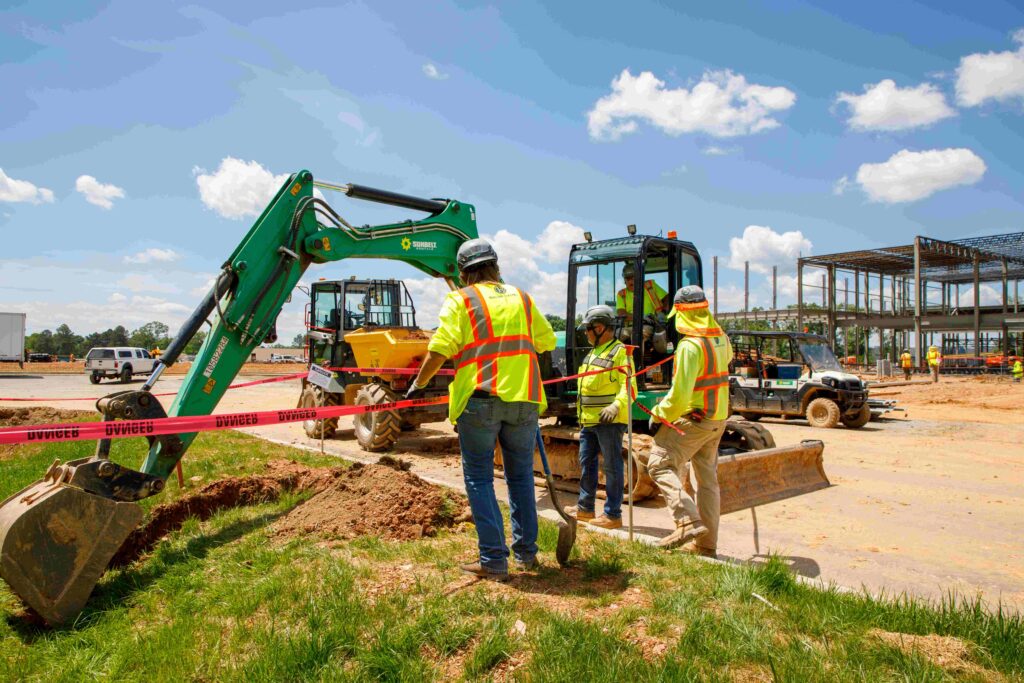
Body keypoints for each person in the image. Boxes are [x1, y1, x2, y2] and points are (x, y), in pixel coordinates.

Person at [408, 238, 556, 580]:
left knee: (479, 478)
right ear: (496, 266)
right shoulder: (523, 298)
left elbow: (439, 350)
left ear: (463, 273)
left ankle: (493, 559)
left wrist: (417, 385)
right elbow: (546, 341)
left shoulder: (461, 300)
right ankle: (526, 554)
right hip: (524, 401)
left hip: (481, 402)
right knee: (521, 478)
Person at [646, 285, 732, 558]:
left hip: (695, 419)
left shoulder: (689, 346)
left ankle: (686, 522)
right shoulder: (721, 338)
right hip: (717, 419)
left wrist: (660, 413)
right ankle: (707, 546)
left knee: (658, 464)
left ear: (681, 313)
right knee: (707, 482)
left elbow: (680, 396)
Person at [565, 305, 636, 530]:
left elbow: (630, 386)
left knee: (613, 467)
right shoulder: (593, 352)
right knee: (587, 464)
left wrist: (616, 406)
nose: (585, 333)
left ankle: (613, 514)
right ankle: (585, 508)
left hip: (609, 422)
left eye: (587, 329)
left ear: (600, 328)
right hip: (589, 420)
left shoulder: (620, 352)